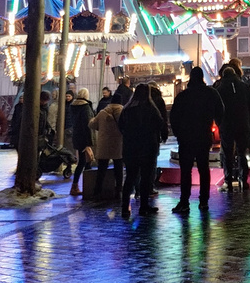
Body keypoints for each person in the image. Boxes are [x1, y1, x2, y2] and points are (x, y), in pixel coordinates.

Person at [169, 69, 223, 213]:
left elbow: (173, 117)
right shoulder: (211, 94)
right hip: (203, 136)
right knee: (203, 168)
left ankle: (184, 201)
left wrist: (179, 134)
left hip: (186, 138)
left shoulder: (183, 96)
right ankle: (204, 201)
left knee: (186, 171)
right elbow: (221, 112)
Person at [117, 84, 165, 217]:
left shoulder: (127, 109)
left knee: (130, 177)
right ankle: (144, 206)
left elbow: (120, 126)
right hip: (148, 147)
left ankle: (125, 207)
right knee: (145, 177)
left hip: (130, 148)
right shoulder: (151, 108)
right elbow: (160, 123)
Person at [216, 64, 250, 191]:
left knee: (227, 153)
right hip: (242, 124)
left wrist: (219, 121)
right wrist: (247, 117)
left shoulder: (219, 90)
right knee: (242, 152)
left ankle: (228, 181)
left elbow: (217, 108)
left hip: (227, 125)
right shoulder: (245, 87)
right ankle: (244, 180)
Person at [90, 95, 124, 200]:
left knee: (101, 170)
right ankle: (118, 192)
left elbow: (92, 125)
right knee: (118, 169)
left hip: (104, 145)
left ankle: (97, 193)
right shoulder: (123, 112)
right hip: (118, 144)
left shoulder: (102, 113)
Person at [68, 88, 95, 198]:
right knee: (85, 162)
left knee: (84, 161)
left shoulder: (73, 106)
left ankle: (78, 185)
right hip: (84, 137)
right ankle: (84, 187)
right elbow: (88, 124)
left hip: (77, 136)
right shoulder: (85, 107)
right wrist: (89, 141)